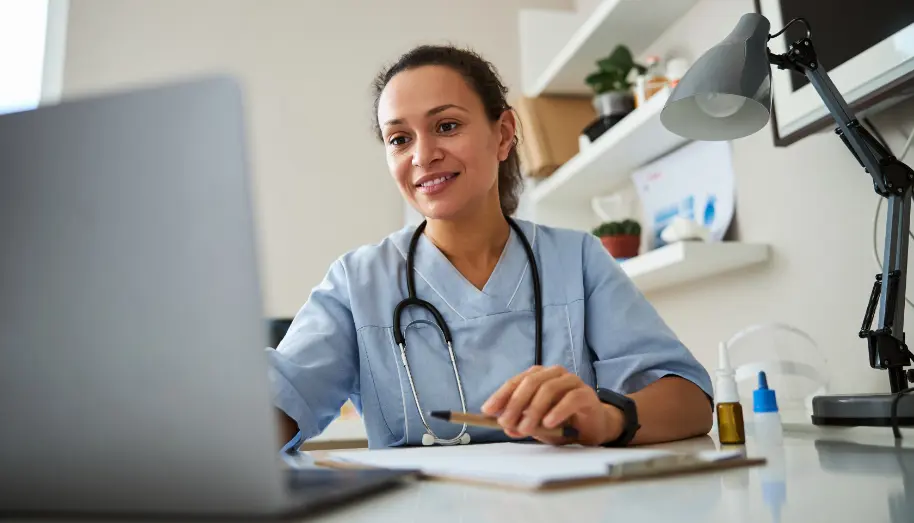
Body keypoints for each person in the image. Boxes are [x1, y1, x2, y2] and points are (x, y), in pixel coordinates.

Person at [267, 45, 713, 449]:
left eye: (446, 126)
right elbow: (276, 407)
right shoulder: (357, 282)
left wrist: (607, 418)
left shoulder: (575, 260)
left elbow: (690, 400)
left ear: (502, 135)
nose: (422, 155)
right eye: (399, 139)